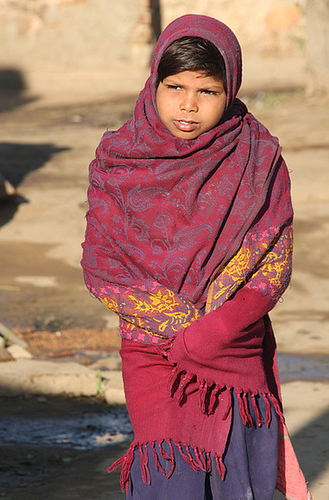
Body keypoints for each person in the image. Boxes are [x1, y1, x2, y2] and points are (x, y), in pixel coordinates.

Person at [81, 14, 311, 500]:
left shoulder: (258, 156)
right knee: (170, 477)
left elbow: (273, 259)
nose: (188, 105)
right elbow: (102, 266)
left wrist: (216, 330)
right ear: (153, 84)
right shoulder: (120, 159)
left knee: (235, 479)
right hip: (152, 350)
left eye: (207, 91)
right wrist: (182, 328)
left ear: (230, 88)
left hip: (232, 343)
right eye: (175, 86)